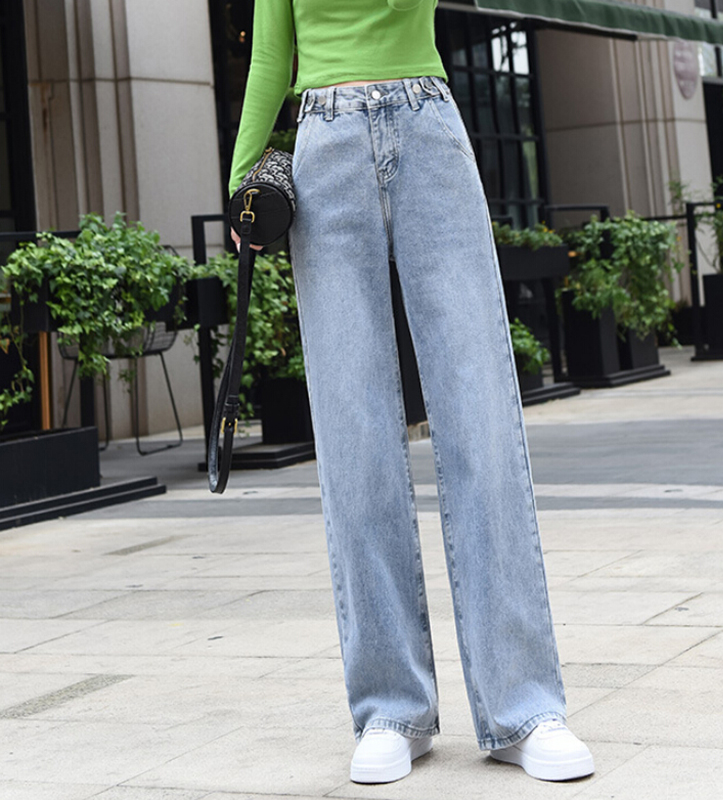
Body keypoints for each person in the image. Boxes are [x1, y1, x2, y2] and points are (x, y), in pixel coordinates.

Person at [229, 0, 594, 785]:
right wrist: (243, 180)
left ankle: (523, 706)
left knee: (481, 418)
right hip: (324, 148)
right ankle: (390, 709)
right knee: (354, 433)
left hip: (427, 127)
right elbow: (270, 57)